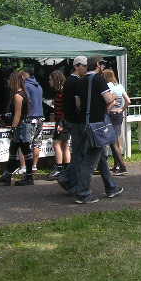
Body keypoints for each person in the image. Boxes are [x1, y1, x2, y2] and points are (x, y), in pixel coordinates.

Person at [73, 56, 123, 204]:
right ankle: (82, 193)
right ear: (97, 65)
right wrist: (114, 95)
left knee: (100, 158)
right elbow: (108, 99)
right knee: (90, 161)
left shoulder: (80, 81)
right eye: (102, 64)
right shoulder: (98, 79)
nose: (103, 67)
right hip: (97, 125)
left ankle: (111, 187)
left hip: (84, 123)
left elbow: (78, 104)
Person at [0, 71, 34, 186]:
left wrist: (13, 128)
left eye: (9, 80)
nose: (8, 82)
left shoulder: (18, 96)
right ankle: (8, 176)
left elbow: (17, 114)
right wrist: (4, 116)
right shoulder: (23, 94)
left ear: (14, 81)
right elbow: (16, 113)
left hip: (21, 127)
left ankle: (28, 177)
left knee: (25, 151)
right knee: (15, 150)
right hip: (23, 125)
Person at [57, 57, 88, 195]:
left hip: (71, 120)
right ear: (77, 66)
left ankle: (69, 180)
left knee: (78, 152)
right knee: (78, 153)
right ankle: (68, 180)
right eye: (84, 66)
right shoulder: (75, 81)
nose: (86, 68)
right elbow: (77, 102)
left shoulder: (69, 81)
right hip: (76, 121)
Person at [103, 68, 130, 176]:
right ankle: (116, 165)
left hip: (110, 114)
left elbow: (110, 101)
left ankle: (121, 166)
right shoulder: (119, 86)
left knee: (113, 142)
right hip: (118, 114)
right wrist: (122, 109)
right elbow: (128, 101)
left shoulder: (107, 86)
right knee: (116, 141)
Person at [47, 69, 70, 180]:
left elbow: (66, 108)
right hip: (63, 121)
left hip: (62, 122)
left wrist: (61, 123)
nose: (49, 82)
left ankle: (59, 168)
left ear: (55, 79)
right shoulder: (61, 91)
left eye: (50, 79)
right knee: (64, 145)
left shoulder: (62, 91)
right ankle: (67, 168)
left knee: (56, 143)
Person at [23, 67, 44, 174]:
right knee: (37, 144)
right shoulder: (38, 86)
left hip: (30, 118)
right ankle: (34, 166)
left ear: (26, 74)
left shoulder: (26, 85)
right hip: (40, 117)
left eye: (22, 74)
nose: (21, 77)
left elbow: (26, 101)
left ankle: (24, 167)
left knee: (25, 143)